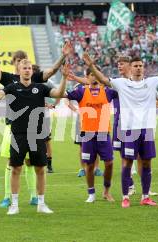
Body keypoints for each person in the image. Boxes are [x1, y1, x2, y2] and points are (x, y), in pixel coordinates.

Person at [84, 49, 158, 207]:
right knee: (126, 163)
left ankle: (145, 196)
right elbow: (104, 79)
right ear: (130, 68)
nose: (138, 68)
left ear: (143, 68)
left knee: (146, 163)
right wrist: (91, 65)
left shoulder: (151, 82)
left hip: (146, 130)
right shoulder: (121, 83)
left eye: (140, 65)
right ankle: (125, 197)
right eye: (135, 65)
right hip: (129, 130)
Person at [0, 37, 72, 208]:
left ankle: (34, 197)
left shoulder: (35, 78)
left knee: (33, 163)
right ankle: (8, 197)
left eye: (25, 63)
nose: (22, 65)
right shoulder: (8, 79)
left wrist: (63, 57)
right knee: (12, 163)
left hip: (34, 128)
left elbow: (52, 71)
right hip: (13, 126)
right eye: (18, 61)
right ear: (15, 64)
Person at [66, 66, 116, 203]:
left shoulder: (109, 92)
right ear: (87, 77)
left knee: (110, 163)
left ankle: (106, 191)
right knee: (89, 165)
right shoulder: (81, 91)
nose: (94, 77)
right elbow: (65, 96)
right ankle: (91, 193)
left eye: (97, 74)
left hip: (103, 133)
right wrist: (65, 78)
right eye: (91, 74)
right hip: (87, 134)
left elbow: (126, 92)